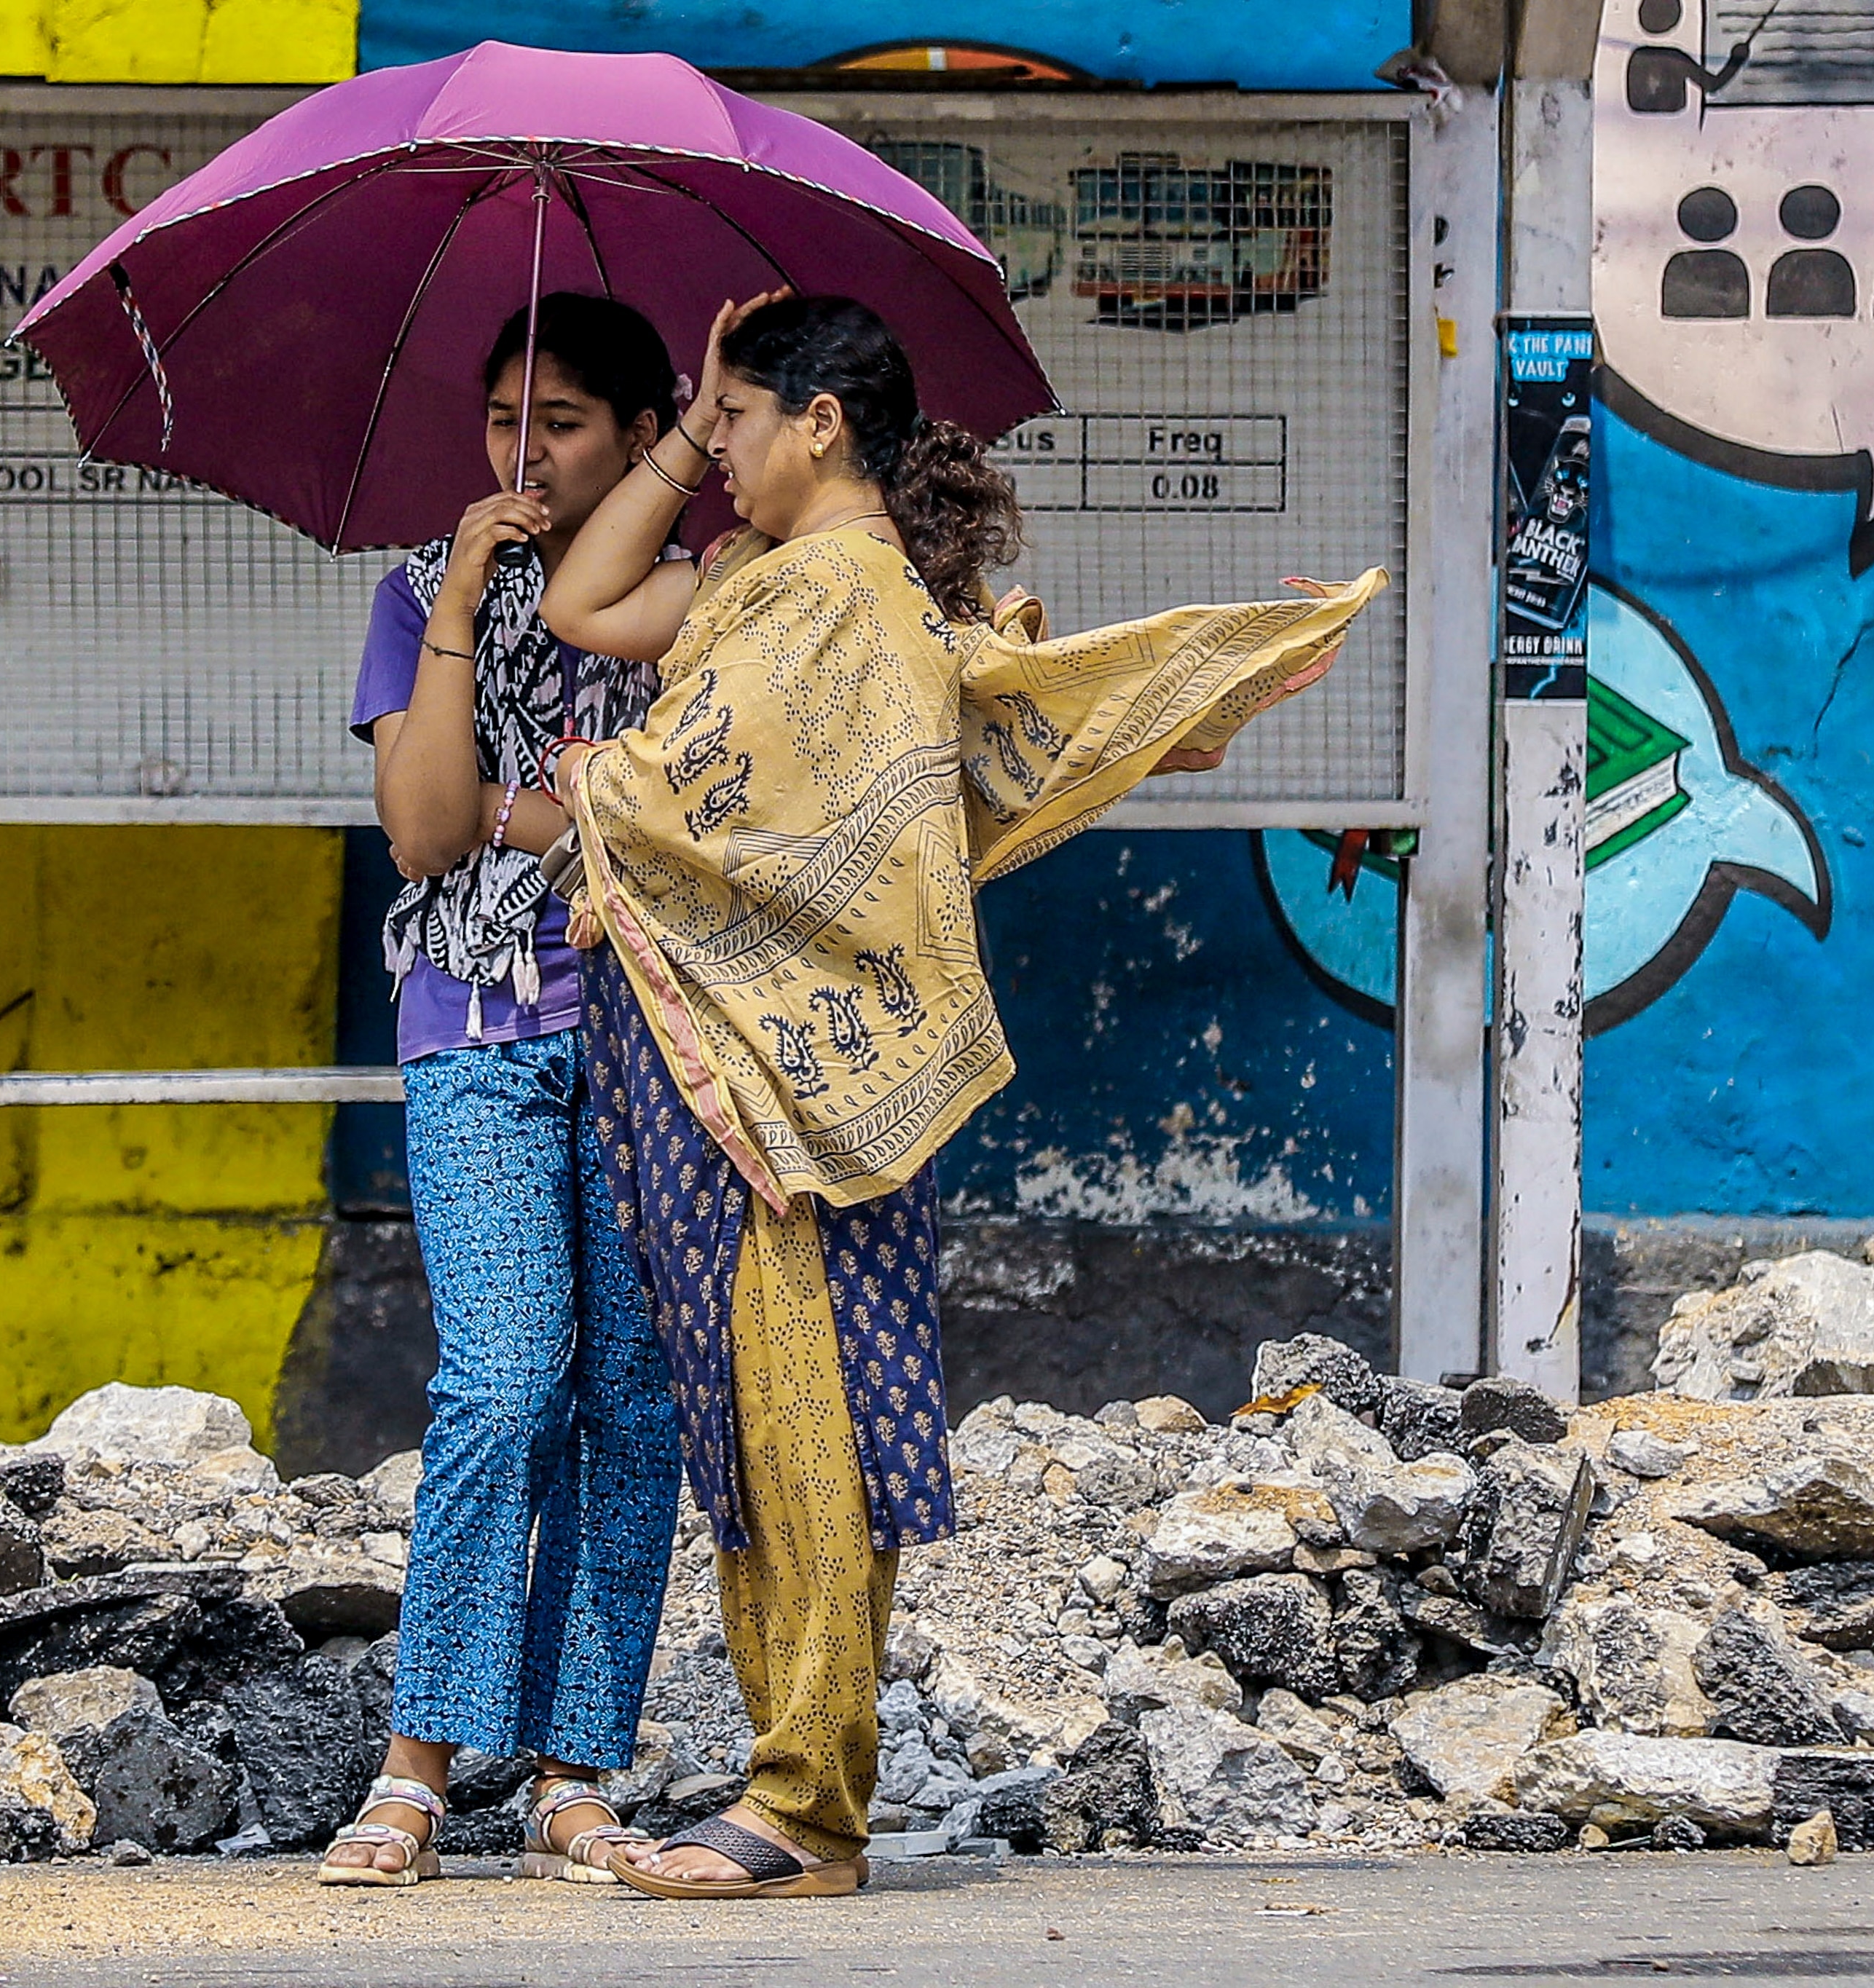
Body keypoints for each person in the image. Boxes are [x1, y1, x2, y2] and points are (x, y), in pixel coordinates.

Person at [536, 291, 1377, 1901]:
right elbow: (598, 611)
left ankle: (802, 1812)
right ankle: (792, 1794)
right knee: (761, 1429)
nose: (717, 457)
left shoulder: (845, 601)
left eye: (736, 422)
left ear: (819, 422)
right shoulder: (789, 589)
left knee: (813, 1429)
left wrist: (597, 784)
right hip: (744, 1074)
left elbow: (712, 791)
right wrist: (705, 406)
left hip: (789, 1089)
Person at [319, 295, 689, 1888]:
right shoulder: (418, 593)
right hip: (473, 1031)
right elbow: (422, 835)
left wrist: (534, 817)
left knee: (635, 1406)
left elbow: (687, 827)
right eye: (500, 424)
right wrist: (469, 599)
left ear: (643, 436)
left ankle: (573, 1770)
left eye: (562, 424)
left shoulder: (700, 606)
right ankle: (417, 1764)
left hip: (658, 1042)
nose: (522, 454)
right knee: (505, 1384)